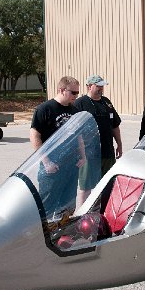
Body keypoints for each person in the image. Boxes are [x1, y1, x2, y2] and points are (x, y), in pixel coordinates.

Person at [30, 76, 86, 217]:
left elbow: (78, 135)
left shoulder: (74, 111)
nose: (76, 96)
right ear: (61, 90)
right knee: (47, 206)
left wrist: (83, 156)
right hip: (52, 166)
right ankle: (45, 230)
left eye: (78, 93)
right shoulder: (45, 109)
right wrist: (46, 162)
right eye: (73, 92)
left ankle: (63, 229)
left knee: (68, 206)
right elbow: (35, 136)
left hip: (71, 166)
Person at [74, 75, 123, 204]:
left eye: (102, 86)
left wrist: (119, 144)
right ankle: (82, 212)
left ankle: (102, 210)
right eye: (98, 86)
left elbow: (115, 125)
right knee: (86, 187)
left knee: (108, 184)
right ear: (89, 86)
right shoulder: (80, 103)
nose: (101, 88)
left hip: (107, 152)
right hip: (89, 154)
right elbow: (74, 131)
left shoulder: (106, 102)